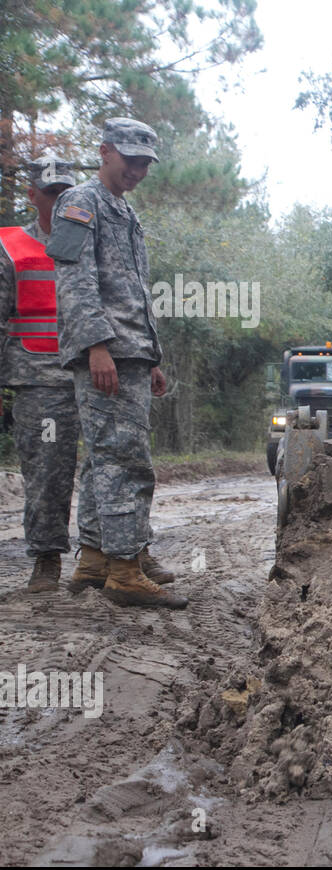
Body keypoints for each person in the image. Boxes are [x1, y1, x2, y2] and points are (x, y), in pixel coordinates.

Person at [46, 118, 186, 609]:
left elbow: (132, 292)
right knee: (125, 460)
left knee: (103, 460)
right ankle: (125, 571)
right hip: (106, 351)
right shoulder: (80, 202)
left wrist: (150, 356)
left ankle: (96, 558)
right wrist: (96, 346)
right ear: (105, 152)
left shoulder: (122, 210)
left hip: (130, 351)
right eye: (131, 160)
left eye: (146, 163)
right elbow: (75, 281)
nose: (139, 170)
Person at [0, 154, 80, 591]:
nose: (60, 200)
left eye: (66, 193)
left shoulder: (93, 240)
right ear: (32, 195)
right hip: (39, 379)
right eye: (51, 193)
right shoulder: (11, 247)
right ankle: (46, 560)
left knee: (111, 464)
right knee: (47, 467)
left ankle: (107, 559)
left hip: (96, 372)